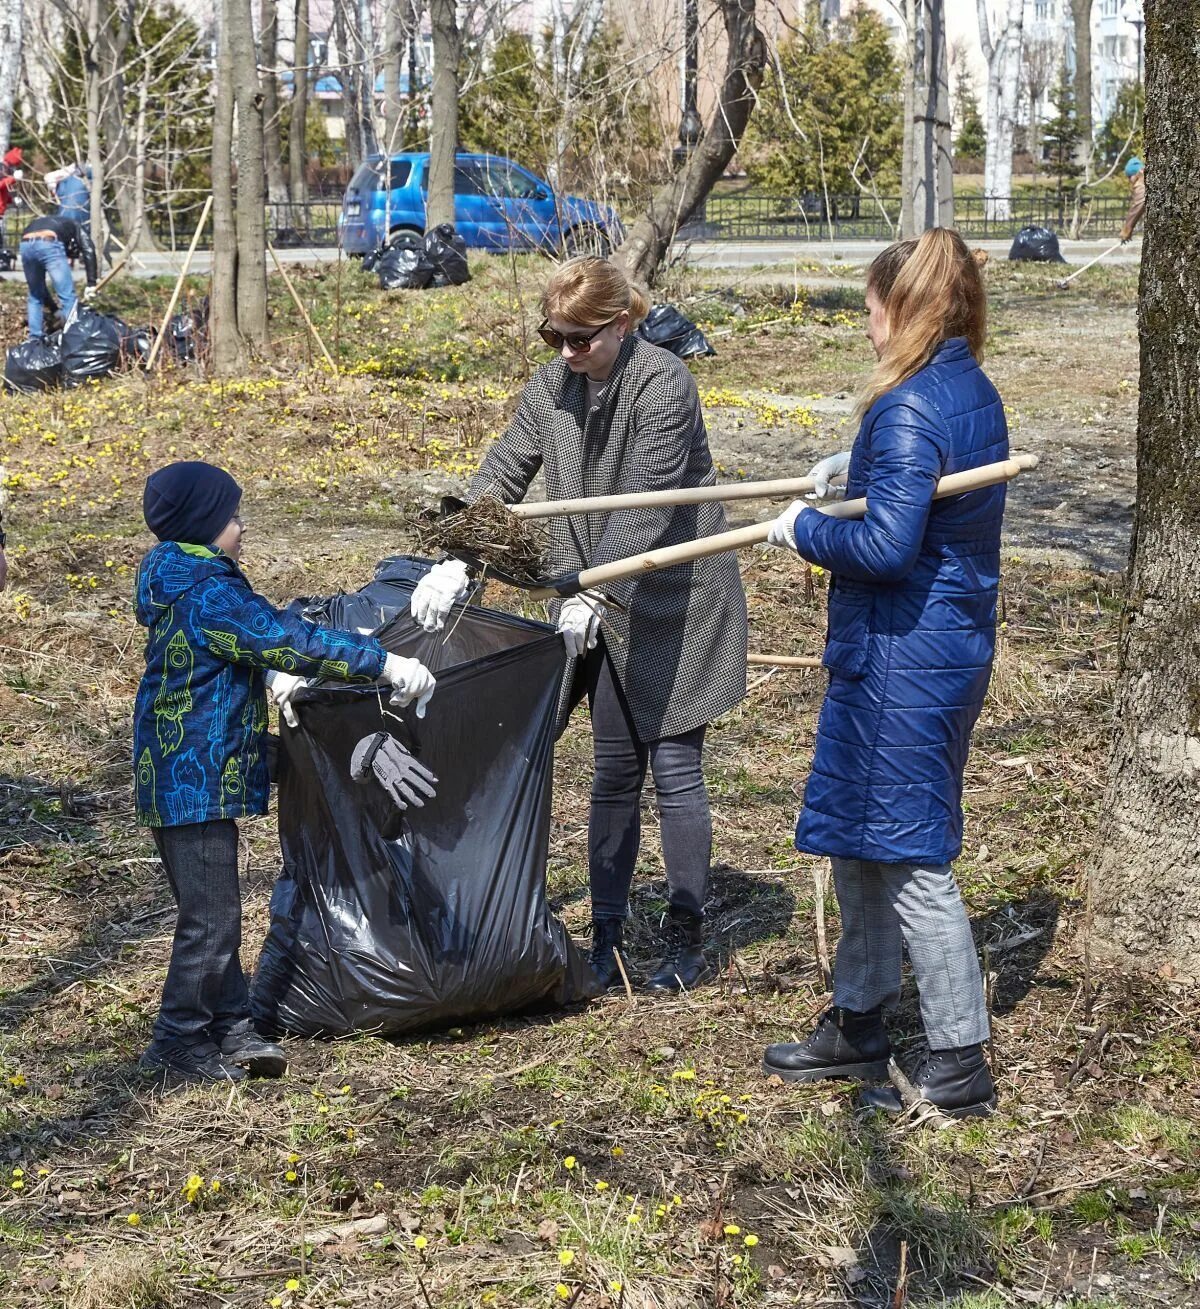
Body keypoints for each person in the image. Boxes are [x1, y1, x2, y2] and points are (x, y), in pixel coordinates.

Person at [409, 257, 748, 993]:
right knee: (612, 771)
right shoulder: (551, 388)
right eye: (552, 335)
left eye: (580, 338)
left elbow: (646, 508)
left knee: (675, 768)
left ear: (621, 324)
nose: (565, 350)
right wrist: (462, 554)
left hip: (675, 598)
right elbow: (505, 468)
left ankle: (684, 939)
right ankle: (609, 937)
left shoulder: (665, 385)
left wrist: (594, 590)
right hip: (593, 601)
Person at [761, 229, 1005, 1119]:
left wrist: (806, 529)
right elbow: (918, 501)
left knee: (909, 854)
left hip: (907, 653)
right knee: (861, 838)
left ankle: (958, 1056)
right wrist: (854, 473)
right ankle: (859, 1019)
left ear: (902, 308)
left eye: (871, 305)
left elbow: (887, 546)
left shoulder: (907, 409)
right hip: (932, 646)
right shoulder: (965, 385)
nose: (864, 322)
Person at [134, 461, 437, 1084]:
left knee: (214, 911)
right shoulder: (207, 590)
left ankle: (231, 1023)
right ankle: (177, 1042)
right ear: (203, 524)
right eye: (233, 516)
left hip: (192, 767)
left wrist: (271, 676)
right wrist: (382, 664)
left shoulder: (187, 581)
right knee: (210, 918)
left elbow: (253, 648)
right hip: (191, 777)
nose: (241, 528)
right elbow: (286, 637)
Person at [19, 212, 97, 339]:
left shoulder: (56, 224)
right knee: (67, 296)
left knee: (35, 295)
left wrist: (54, 309)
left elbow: (42, 289)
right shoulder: (76, 226)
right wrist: (92, 283)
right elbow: (88, 249)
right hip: (49, 242)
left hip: (25, 244)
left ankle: (34, 340)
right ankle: (73, 338)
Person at [44, 163, 91, 231]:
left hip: (66, 219)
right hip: (81, 220)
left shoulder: (64, 183)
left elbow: (48, 177)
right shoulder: (70, 181)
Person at [1119, 157, 1145, 244]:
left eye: (1129, 177)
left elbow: (1137, 207)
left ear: (1134, 174)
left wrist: (1126, 231)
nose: (1129, 180)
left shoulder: (1141, 181)